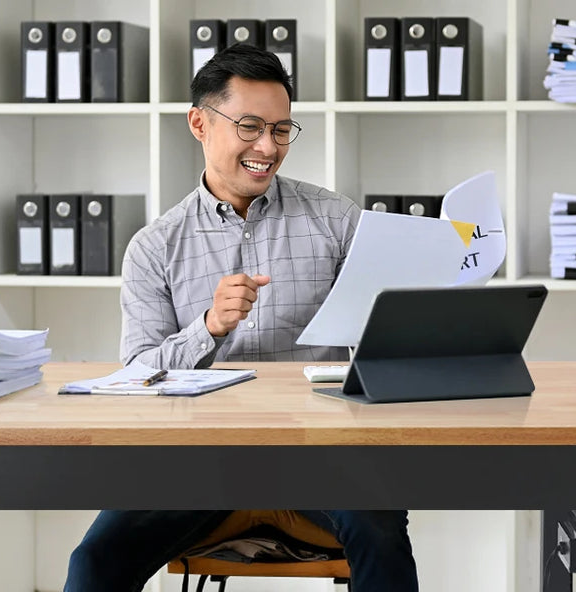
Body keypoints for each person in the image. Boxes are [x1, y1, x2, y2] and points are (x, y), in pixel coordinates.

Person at [63, 45, 419, 591]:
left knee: (381, 529)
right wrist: (206, 326)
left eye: (281, 130)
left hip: (320, 454)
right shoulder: (154, 246)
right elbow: (135, 374)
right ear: (199, 123)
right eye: (250, 126)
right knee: (93, 561)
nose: (266, 147)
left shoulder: (337, 220)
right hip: (198, 463)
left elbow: (390, 334)